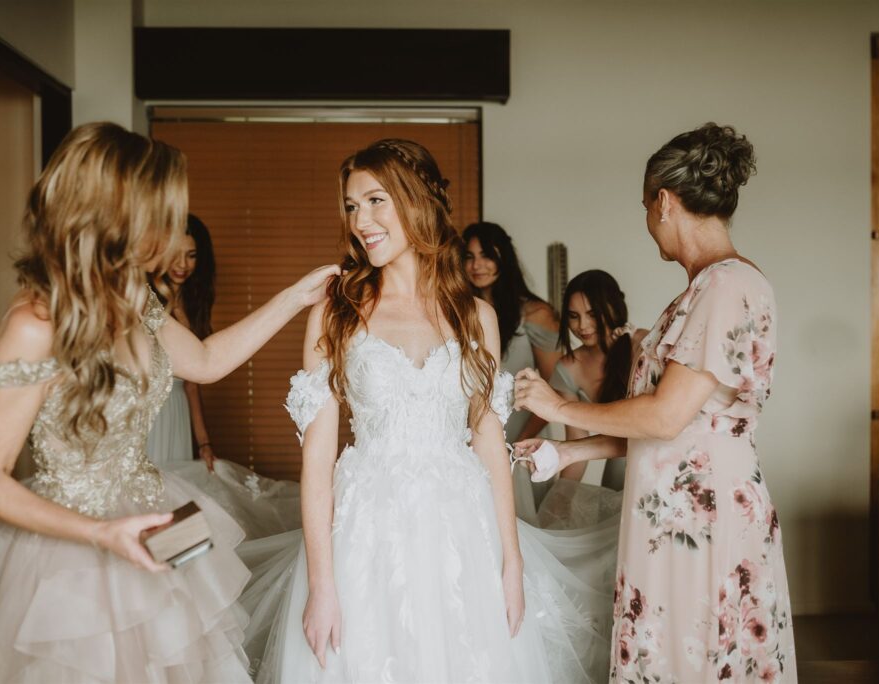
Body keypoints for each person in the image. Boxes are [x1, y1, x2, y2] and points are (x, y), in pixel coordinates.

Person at [0, 122, 339, 682]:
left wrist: (295, 297)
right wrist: (99, 534)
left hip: (159, 519)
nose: (172, 231)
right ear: (118, 214)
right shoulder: (35, 323)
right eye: (163, 214)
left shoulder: (136, 297)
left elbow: (207, 360)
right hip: (72, 547)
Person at [237, 139, 613, 683]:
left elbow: (488, 439)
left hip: (461, 528)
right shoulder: (336, 314)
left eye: (374, 201)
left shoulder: (476, 316)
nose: (359, 220)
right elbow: (317, 460)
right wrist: (322, 585)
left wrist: (511, 561)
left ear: (416, 202)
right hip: (366, 531)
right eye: (350, 206)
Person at [514, 123, 797, 682]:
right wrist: (567, 454)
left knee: (699, 650)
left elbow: (666, 417)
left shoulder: (728, 287)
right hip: (670, 512)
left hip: (702, 516)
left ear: (664, 202)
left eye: (646, 207)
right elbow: (668, 424)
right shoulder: (694, 294)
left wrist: (559, 408)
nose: (647, 223)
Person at [463, 222, 561, 524]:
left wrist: (515, 446)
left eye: (486, 255)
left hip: (522, 439)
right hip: (469, 440)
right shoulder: (460, 314)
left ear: (503, 258)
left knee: (522, 529)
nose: (477, 265)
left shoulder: (534, 314)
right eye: (469, 256)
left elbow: (555, 390)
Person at [534, 269, 646, 529]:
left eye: (592, 314)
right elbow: (578, 443)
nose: (582, 326)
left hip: (654, 458)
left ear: (613, 307)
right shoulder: (568, 368)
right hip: (615, 465)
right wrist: (560, 500)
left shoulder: (640, 346)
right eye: (573, 316)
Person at [147, 213, 219, 468]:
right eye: (175, 253)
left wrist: (204, 443)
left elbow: (191, 384)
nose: (183, 264)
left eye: (192, 255)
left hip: (178, 412)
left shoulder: (193, 304)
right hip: (147, 414)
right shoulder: (144, 302)